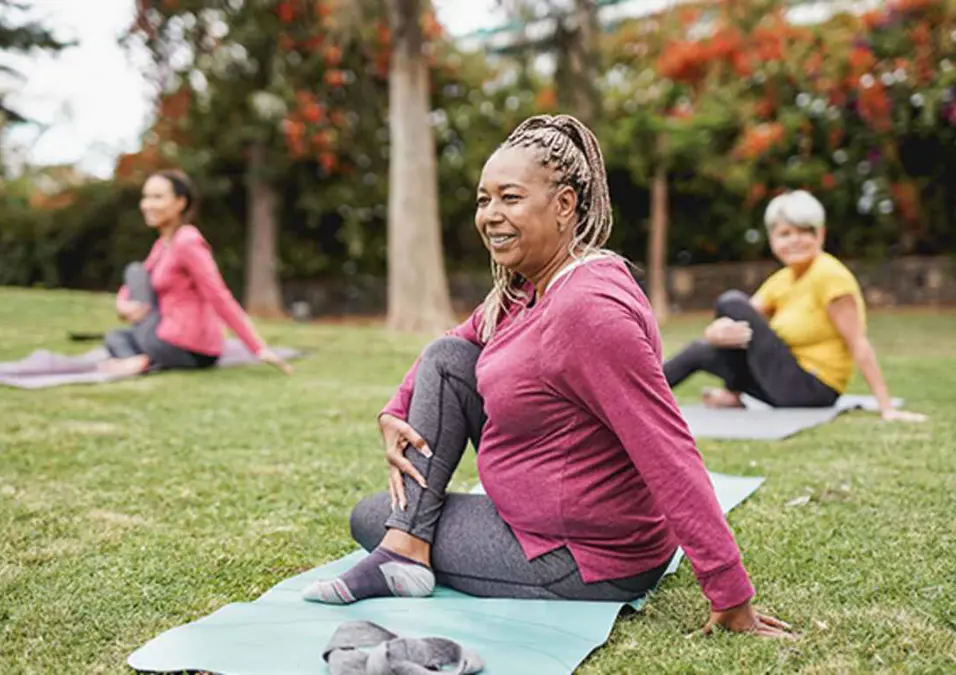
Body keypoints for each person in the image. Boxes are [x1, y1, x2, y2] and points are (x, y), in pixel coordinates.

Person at [302, 115, 792, 638]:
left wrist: (730, 593)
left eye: (509, 198)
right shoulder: (528, 288)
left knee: (370, 515)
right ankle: (407, 547)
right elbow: (456, 344)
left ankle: (404, 548)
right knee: (447, 359)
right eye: (483, 200)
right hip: (541, 523)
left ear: (563, 205)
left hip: (582, 557)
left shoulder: (588, 310)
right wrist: (393, 410)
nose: (491, 215)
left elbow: (667, 449)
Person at [663, 190, 925, 422]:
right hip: (780, 381)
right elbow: (741, 318)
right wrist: (715, 333)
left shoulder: (829, 275)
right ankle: (635, 399)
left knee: (730, 300)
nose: (795, 241)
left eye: (804, 231)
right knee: (701, 350)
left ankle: (732, 393)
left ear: (820, 234)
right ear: (773, 240)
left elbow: (858, 342)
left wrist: (886, 408)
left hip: (813, 387)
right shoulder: (783, 279)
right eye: (785, 234)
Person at [100, 170, 292, 377]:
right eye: (145, 197)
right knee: (116, 334)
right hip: (163, 335)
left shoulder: (187, 241)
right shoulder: (162, 245)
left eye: (157, 197)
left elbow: (218, 295)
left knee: (131, 327)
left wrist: (258, 347)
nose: (147, 205)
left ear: (180, 202)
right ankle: (141, 361)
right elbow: (136, 280)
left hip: (188, 345)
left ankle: (143, 361)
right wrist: (122, 304)